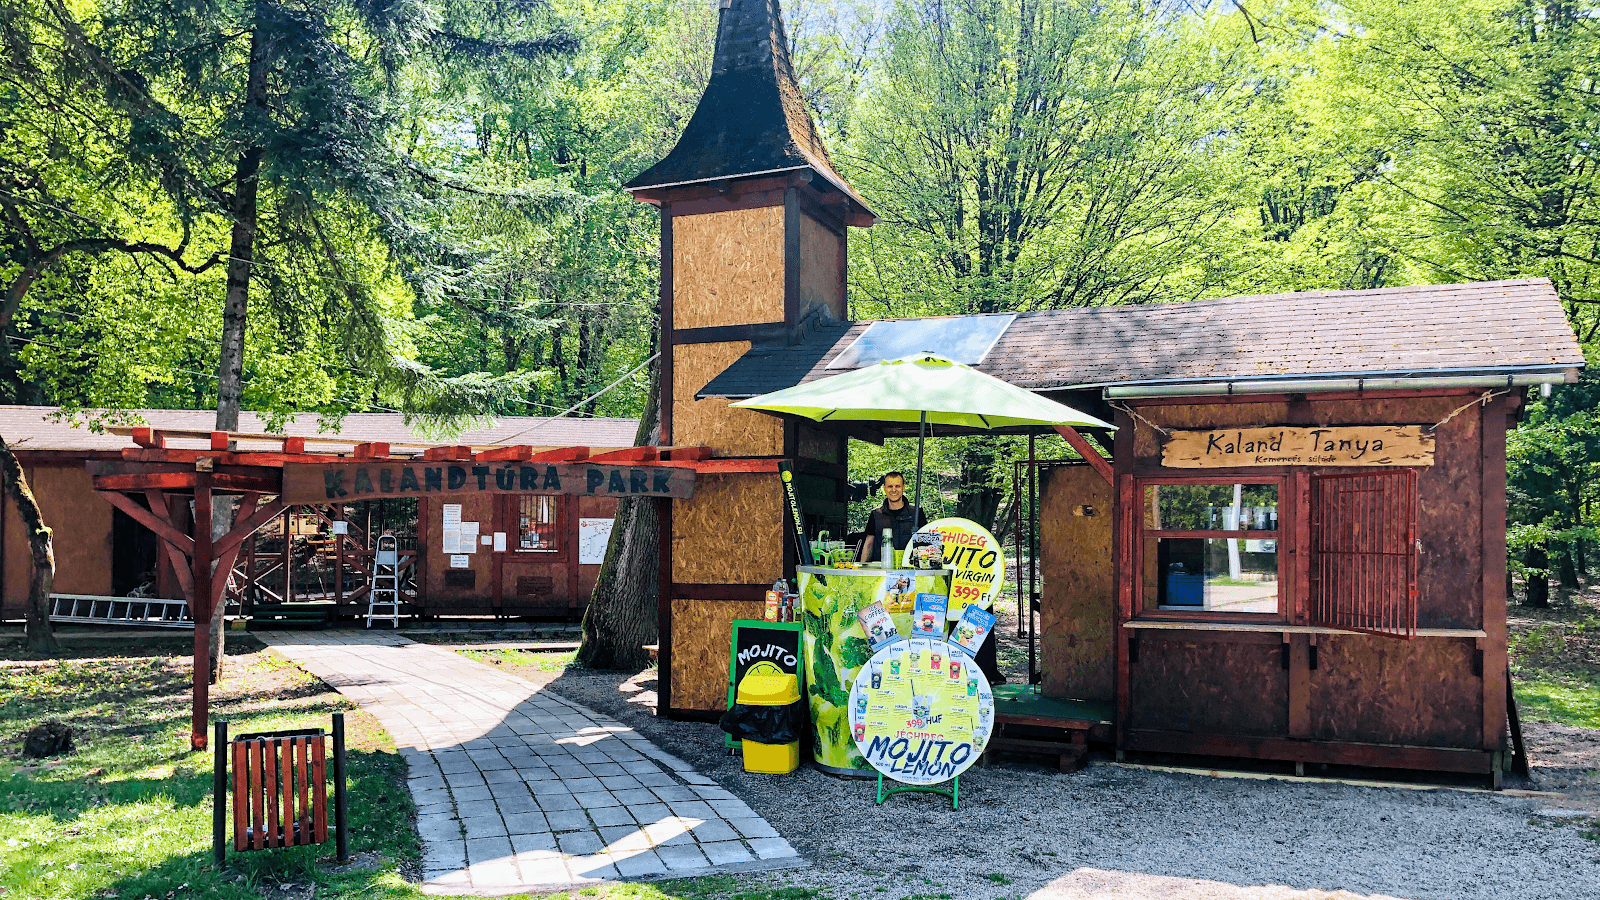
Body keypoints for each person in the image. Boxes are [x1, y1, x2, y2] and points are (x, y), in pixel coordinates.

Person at [857, 471, 927, 564]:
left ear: (903, 488)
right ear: (884, 488)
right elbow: (869, 544)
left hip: (910, 569)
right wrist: (862, 567)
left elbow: (926, 544)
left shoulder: (917, 513)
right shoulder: (876, 514)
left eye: (897, 486)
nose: (894, 490)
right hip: (881, 569)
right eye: (890, 486)